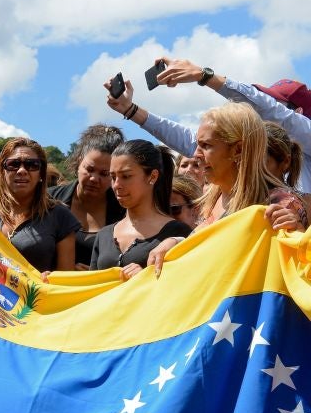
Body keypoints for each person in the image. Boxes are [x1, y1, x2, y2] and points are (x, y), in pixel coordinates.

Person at [146, 102, 307, 274]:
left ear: (237, 150)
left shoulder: (280, 204)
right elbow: (205, 246)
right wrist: (176, 242)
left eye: (206, 145)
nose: (196, 154)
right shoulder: (213, 199)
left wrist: (298, 235)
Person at [114, 61, 311, 190]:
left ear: (298, 114)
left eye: (270, 103)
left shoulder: (305, 139)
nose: (255, 111)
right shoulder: (244, 151)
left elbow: (273, 112)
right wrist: (131, 110)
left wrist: (204, 76)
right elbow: (190, 141)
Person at [89, 140, 192, 279]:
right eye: (113, 177)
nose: (116, 185)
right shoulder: (104, 235)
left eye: (126, 176)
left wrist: (145, 278)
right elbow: (91, 288)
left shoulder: (178, 233)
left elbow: (186, 285)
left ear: (152, 176)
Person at [0, 138, 79, 273]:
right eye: (14, 164)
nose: (22, 170)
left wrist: (52, 279)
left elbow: (65, 280)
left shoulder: (60, 216)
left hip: (37, 294)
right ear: (1, 171)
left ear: (41, 174)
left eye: (32, 165)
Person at [48, 124, 125, 269]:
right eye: (89, 169)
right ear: (78, 162)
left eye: (104, 174)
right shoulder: (48, 199)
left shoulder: (124, 209)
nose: (94, 179)